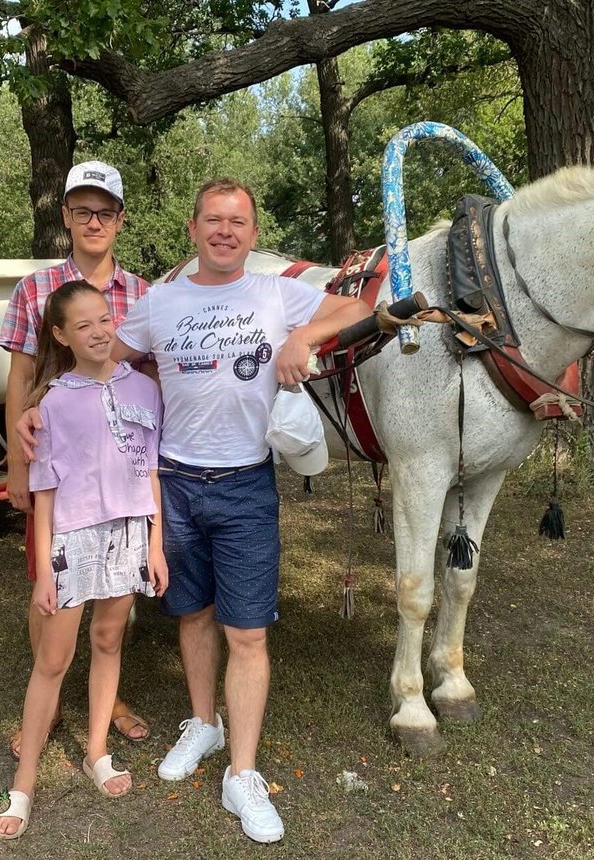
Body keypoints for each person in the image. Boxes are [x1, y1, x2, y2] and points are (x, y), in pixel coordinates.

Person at [113, 178, 368, 843]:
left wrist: (301, 336)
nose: (225, 231)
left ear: (253, 235)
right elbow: (103, 356)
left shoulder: (274, 293)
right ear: (193, 230)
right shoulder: (159, 302)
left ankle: (242, 774)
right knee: (191, 613)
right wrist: (44, 413)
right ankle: (203, 723)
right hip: (176, 481)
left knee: (247, 632)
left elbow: (358, 305)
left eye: (238, 222)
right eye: (214, 221)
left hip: (246, 484)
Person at [0, 280, 167, 840]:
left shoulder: (144, 389)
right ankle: (23, 783)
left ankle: (96, 752)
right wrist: (45, 569)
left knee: (110, 640)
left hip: (130, 531)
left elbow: (151, 471)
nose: (98, 332)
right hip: (74, 539)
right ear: (62, 336)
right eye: (83, 325)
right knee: (53, 659)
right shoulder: (52, 404)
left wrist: (155, 544)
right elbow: (43, 494)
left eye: (105, 319)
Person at [0, 160, 153, 756]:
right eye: (82, 210)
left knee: (116, 585)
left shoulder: (142, 294)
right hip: (55, 465)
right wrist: (17, 459)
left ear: (119, 219)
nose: (94, 221)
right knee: (51, 581)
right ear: (65, 216)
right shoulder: (34, 290)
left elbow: (151, 379)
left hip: (117, 469)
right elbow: (18, 377)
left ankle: (107, 697)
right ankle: (50, 700)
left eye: (105, 211)